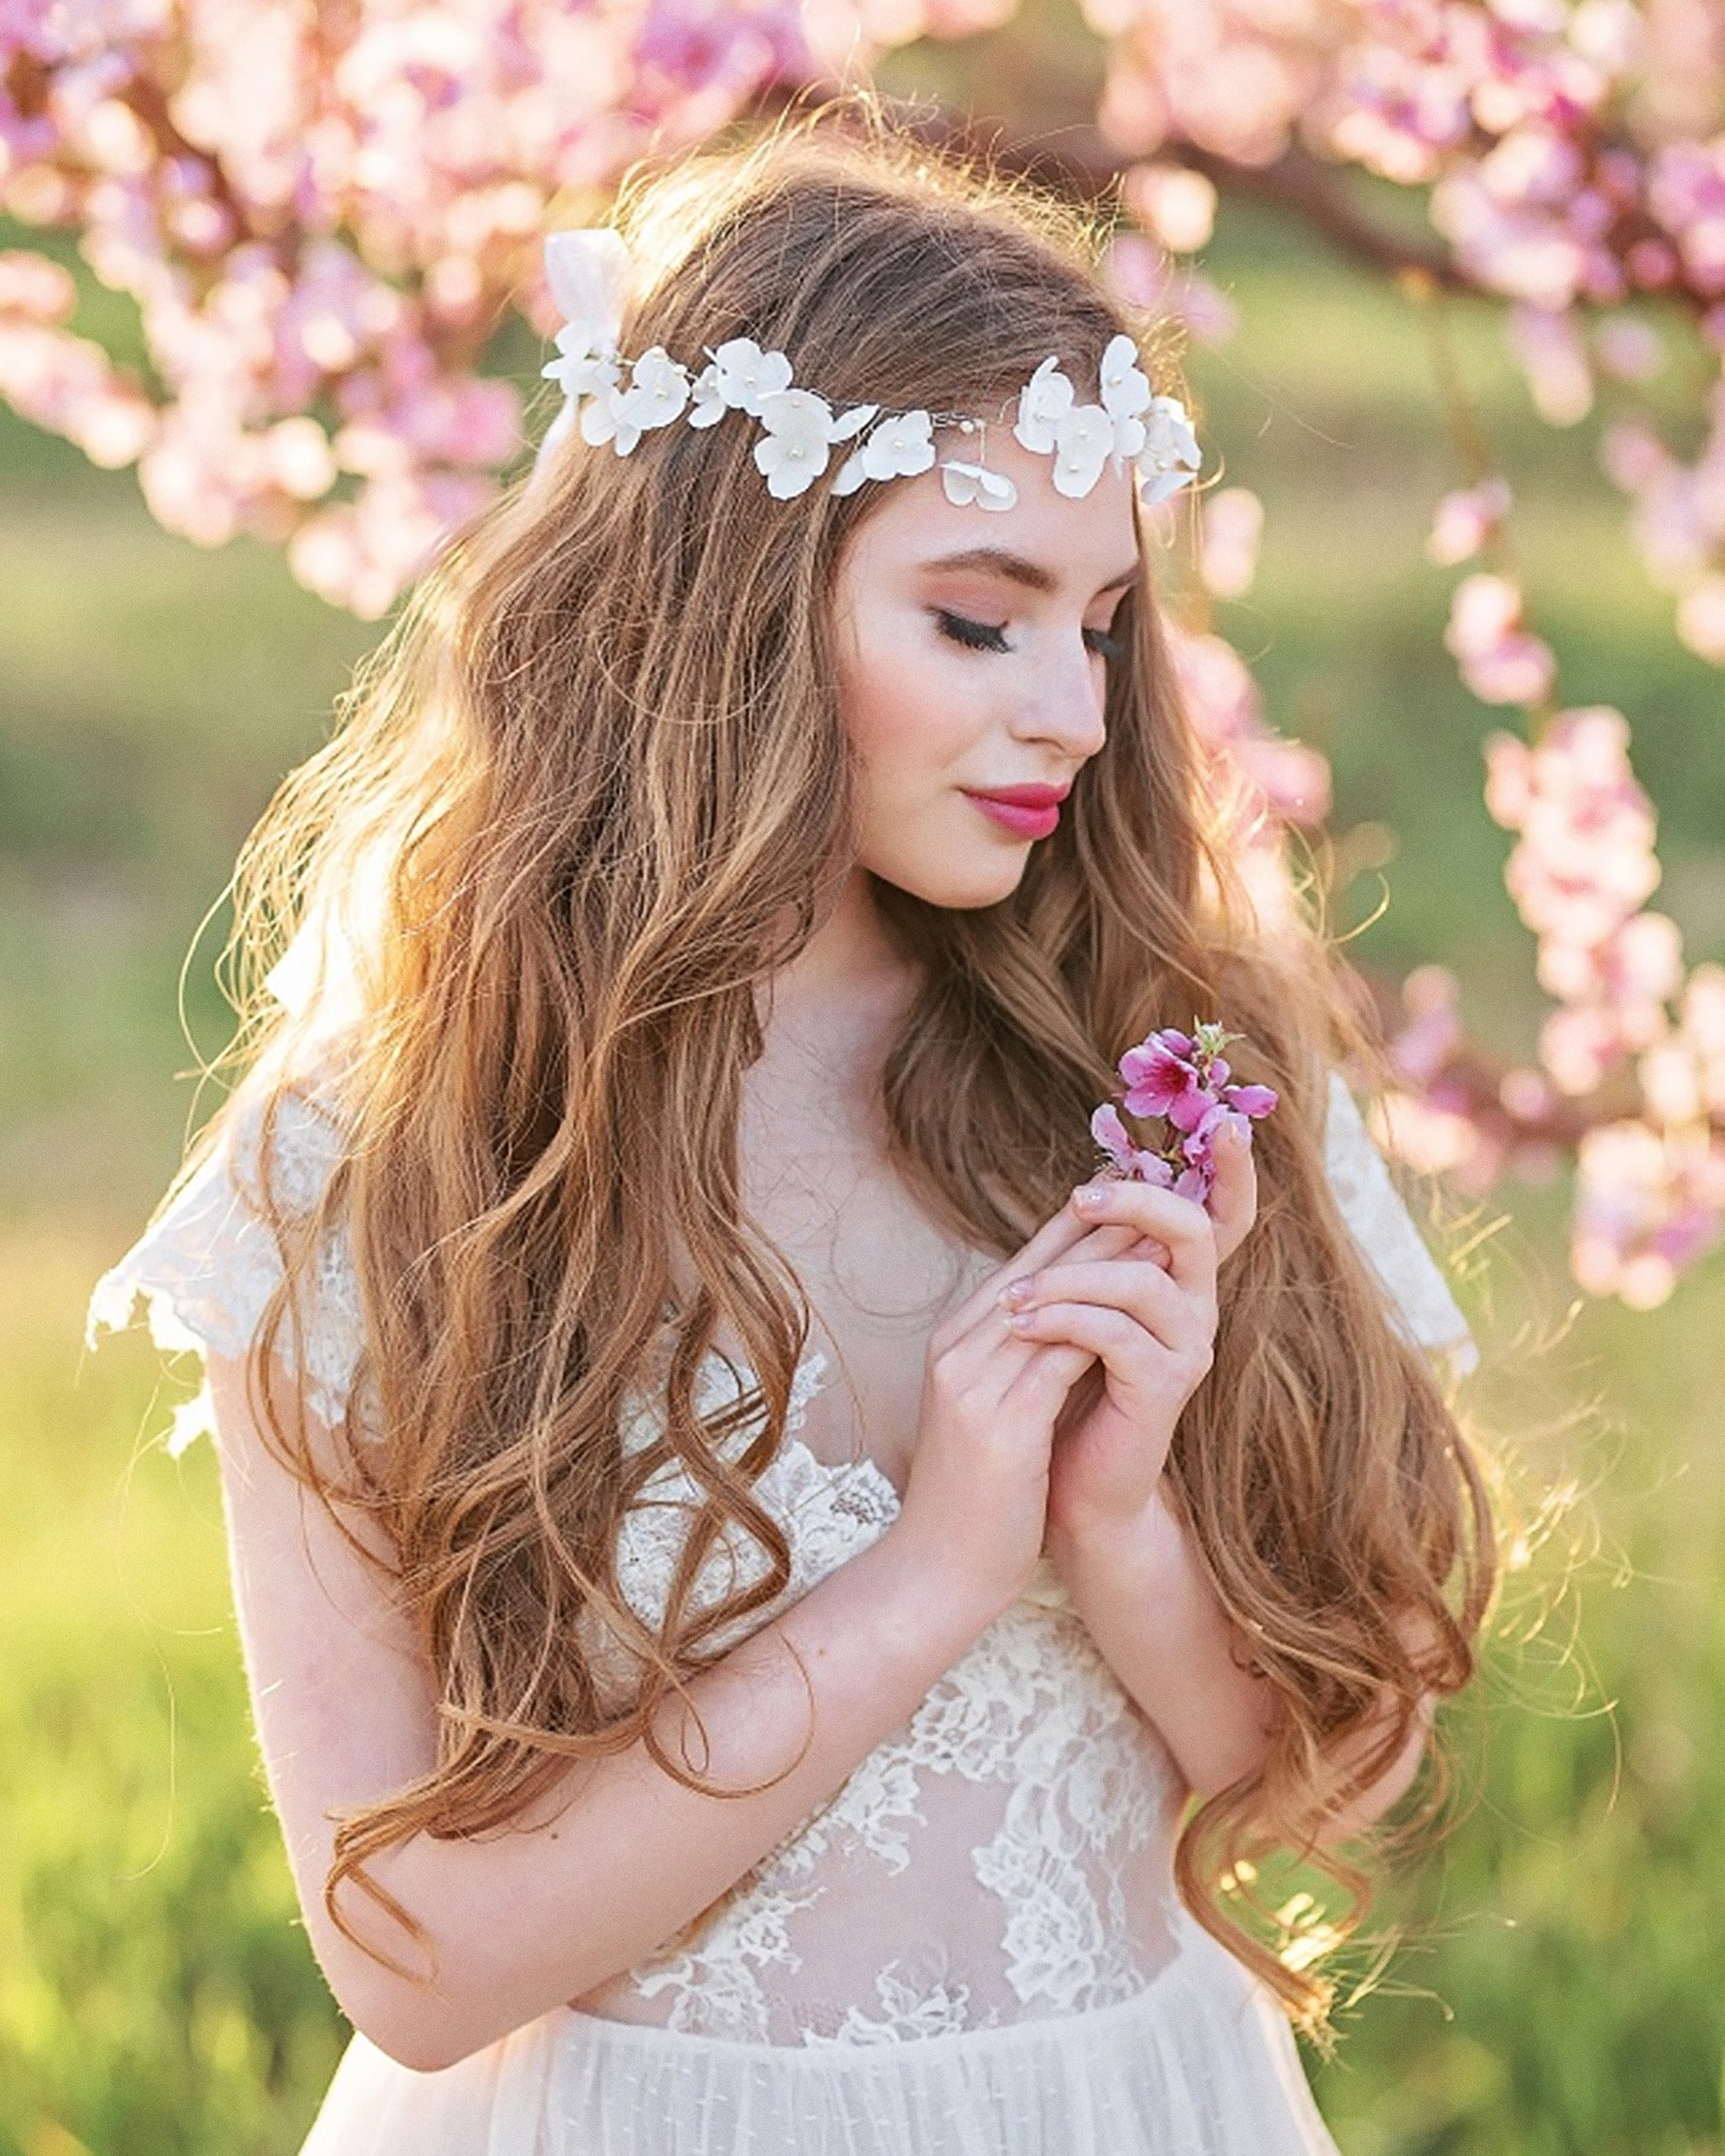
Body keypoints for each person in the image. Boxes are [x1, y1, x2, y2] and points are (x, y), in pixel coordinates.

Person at [86, 104, 1496, 2156]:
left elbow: (1326, 1760)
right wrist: (927, 1570)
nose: (1079, 714)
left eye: (1101, 621)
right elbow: (413, 1956)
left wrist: (1116, 1523)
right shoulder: (380, 1164)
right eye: (976, 616)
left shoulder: (1169, 1072)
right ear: (730, 598)